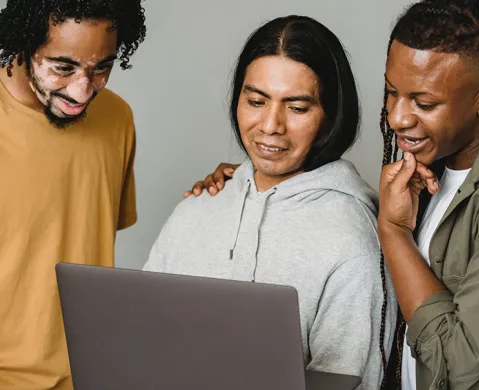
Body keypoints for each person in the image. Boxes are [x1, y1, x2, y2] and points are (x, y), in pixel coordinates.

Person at [191, 1, 479, 389]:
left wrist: (395, 233)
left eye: (424, 103)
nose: (399, 117)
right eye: (391, 92)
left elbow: (460, 370)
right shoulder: (429, 163)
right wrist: (252, 183)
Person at [143, 15, 396, 390]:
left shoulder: (352, 240)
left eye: (297, 107)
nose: (270, 125)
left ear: (330, 116)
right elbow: (139, 341)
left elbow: (355, 380)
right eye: (256, 101)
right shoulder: (195, 210)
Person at [0, 0, 146, 388]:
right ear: (22, 44)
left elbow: (84, 239)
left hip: (92, 375)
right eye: (62, 67)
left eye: (102, 68)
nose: (82, 91)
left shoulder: (118, 119)